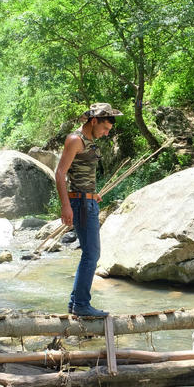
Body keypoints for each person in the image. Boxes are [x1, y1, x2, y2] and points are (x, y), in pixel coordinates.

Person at [54, 103, 122, 317]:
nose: (106, 133)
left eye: (109, 130)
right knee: (91, 254)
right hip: (80, 203)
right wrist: (66, 206)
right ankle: (82, 305)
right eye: (105, 128)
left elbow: (81, 176)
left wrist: (93, 193)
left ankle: (76, 303)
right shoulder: (75, 140)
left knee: (90, 253)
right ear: (94, 121)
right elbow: (60, 174)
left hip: (88, 200)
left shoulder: (90, 141)